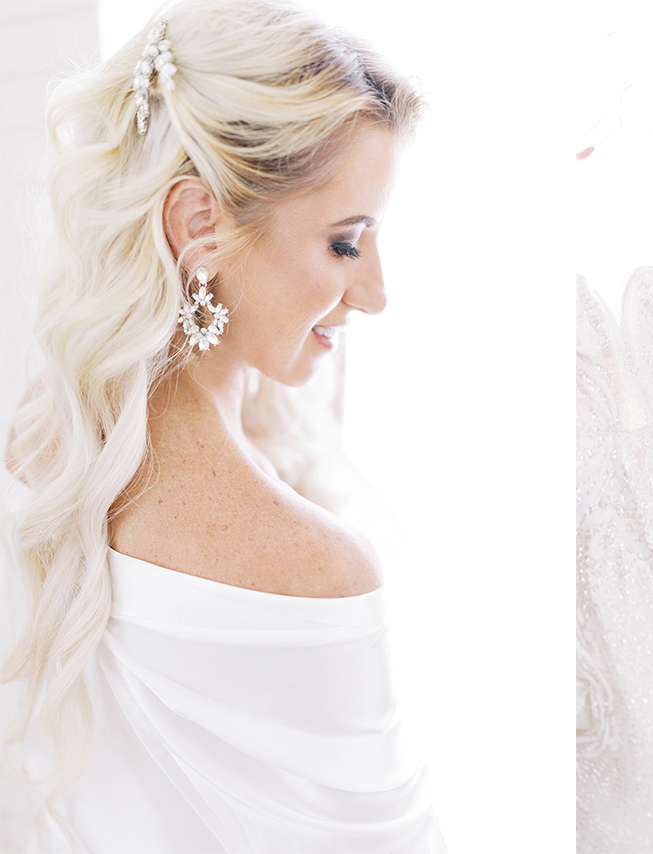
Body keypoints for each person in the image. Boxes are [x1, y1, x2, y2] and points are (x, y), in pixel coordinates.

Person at [2, 2, 445, 850]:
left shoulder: (42, 435)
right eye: (345, 244)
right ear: (199, 224)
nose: (377, 294)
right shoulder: (316, 567)